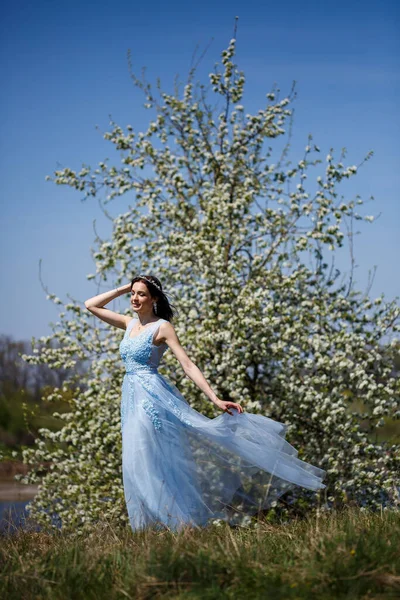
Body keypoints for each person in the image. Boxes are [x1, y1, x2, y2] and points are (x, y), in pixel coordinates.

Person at [84, 274, 326, 531]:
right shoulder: (129, 323)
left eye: (141, 294)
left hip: (150, 398)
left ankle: (177, 526)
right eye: (133, 293)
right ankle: (156, 530)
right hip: (129, 398)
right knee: (134, 462)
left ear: (154, 298)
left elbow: (187, 364)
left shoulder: (162, 327)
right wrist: (126, 286)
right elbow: (91, 304)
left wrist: (214, 398)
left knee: (144, 458)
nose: (134, 298)